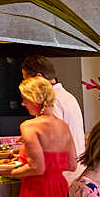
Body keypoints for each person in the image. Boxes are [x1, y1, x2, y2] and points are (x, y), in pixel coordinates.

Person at [21, 55, 86, 183]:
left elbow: (53, 143)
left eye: (26, 80)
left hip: (62, 177)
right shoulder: (68, 95)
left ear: (38, 77)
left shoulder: (52, 101)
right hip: (76, 170)